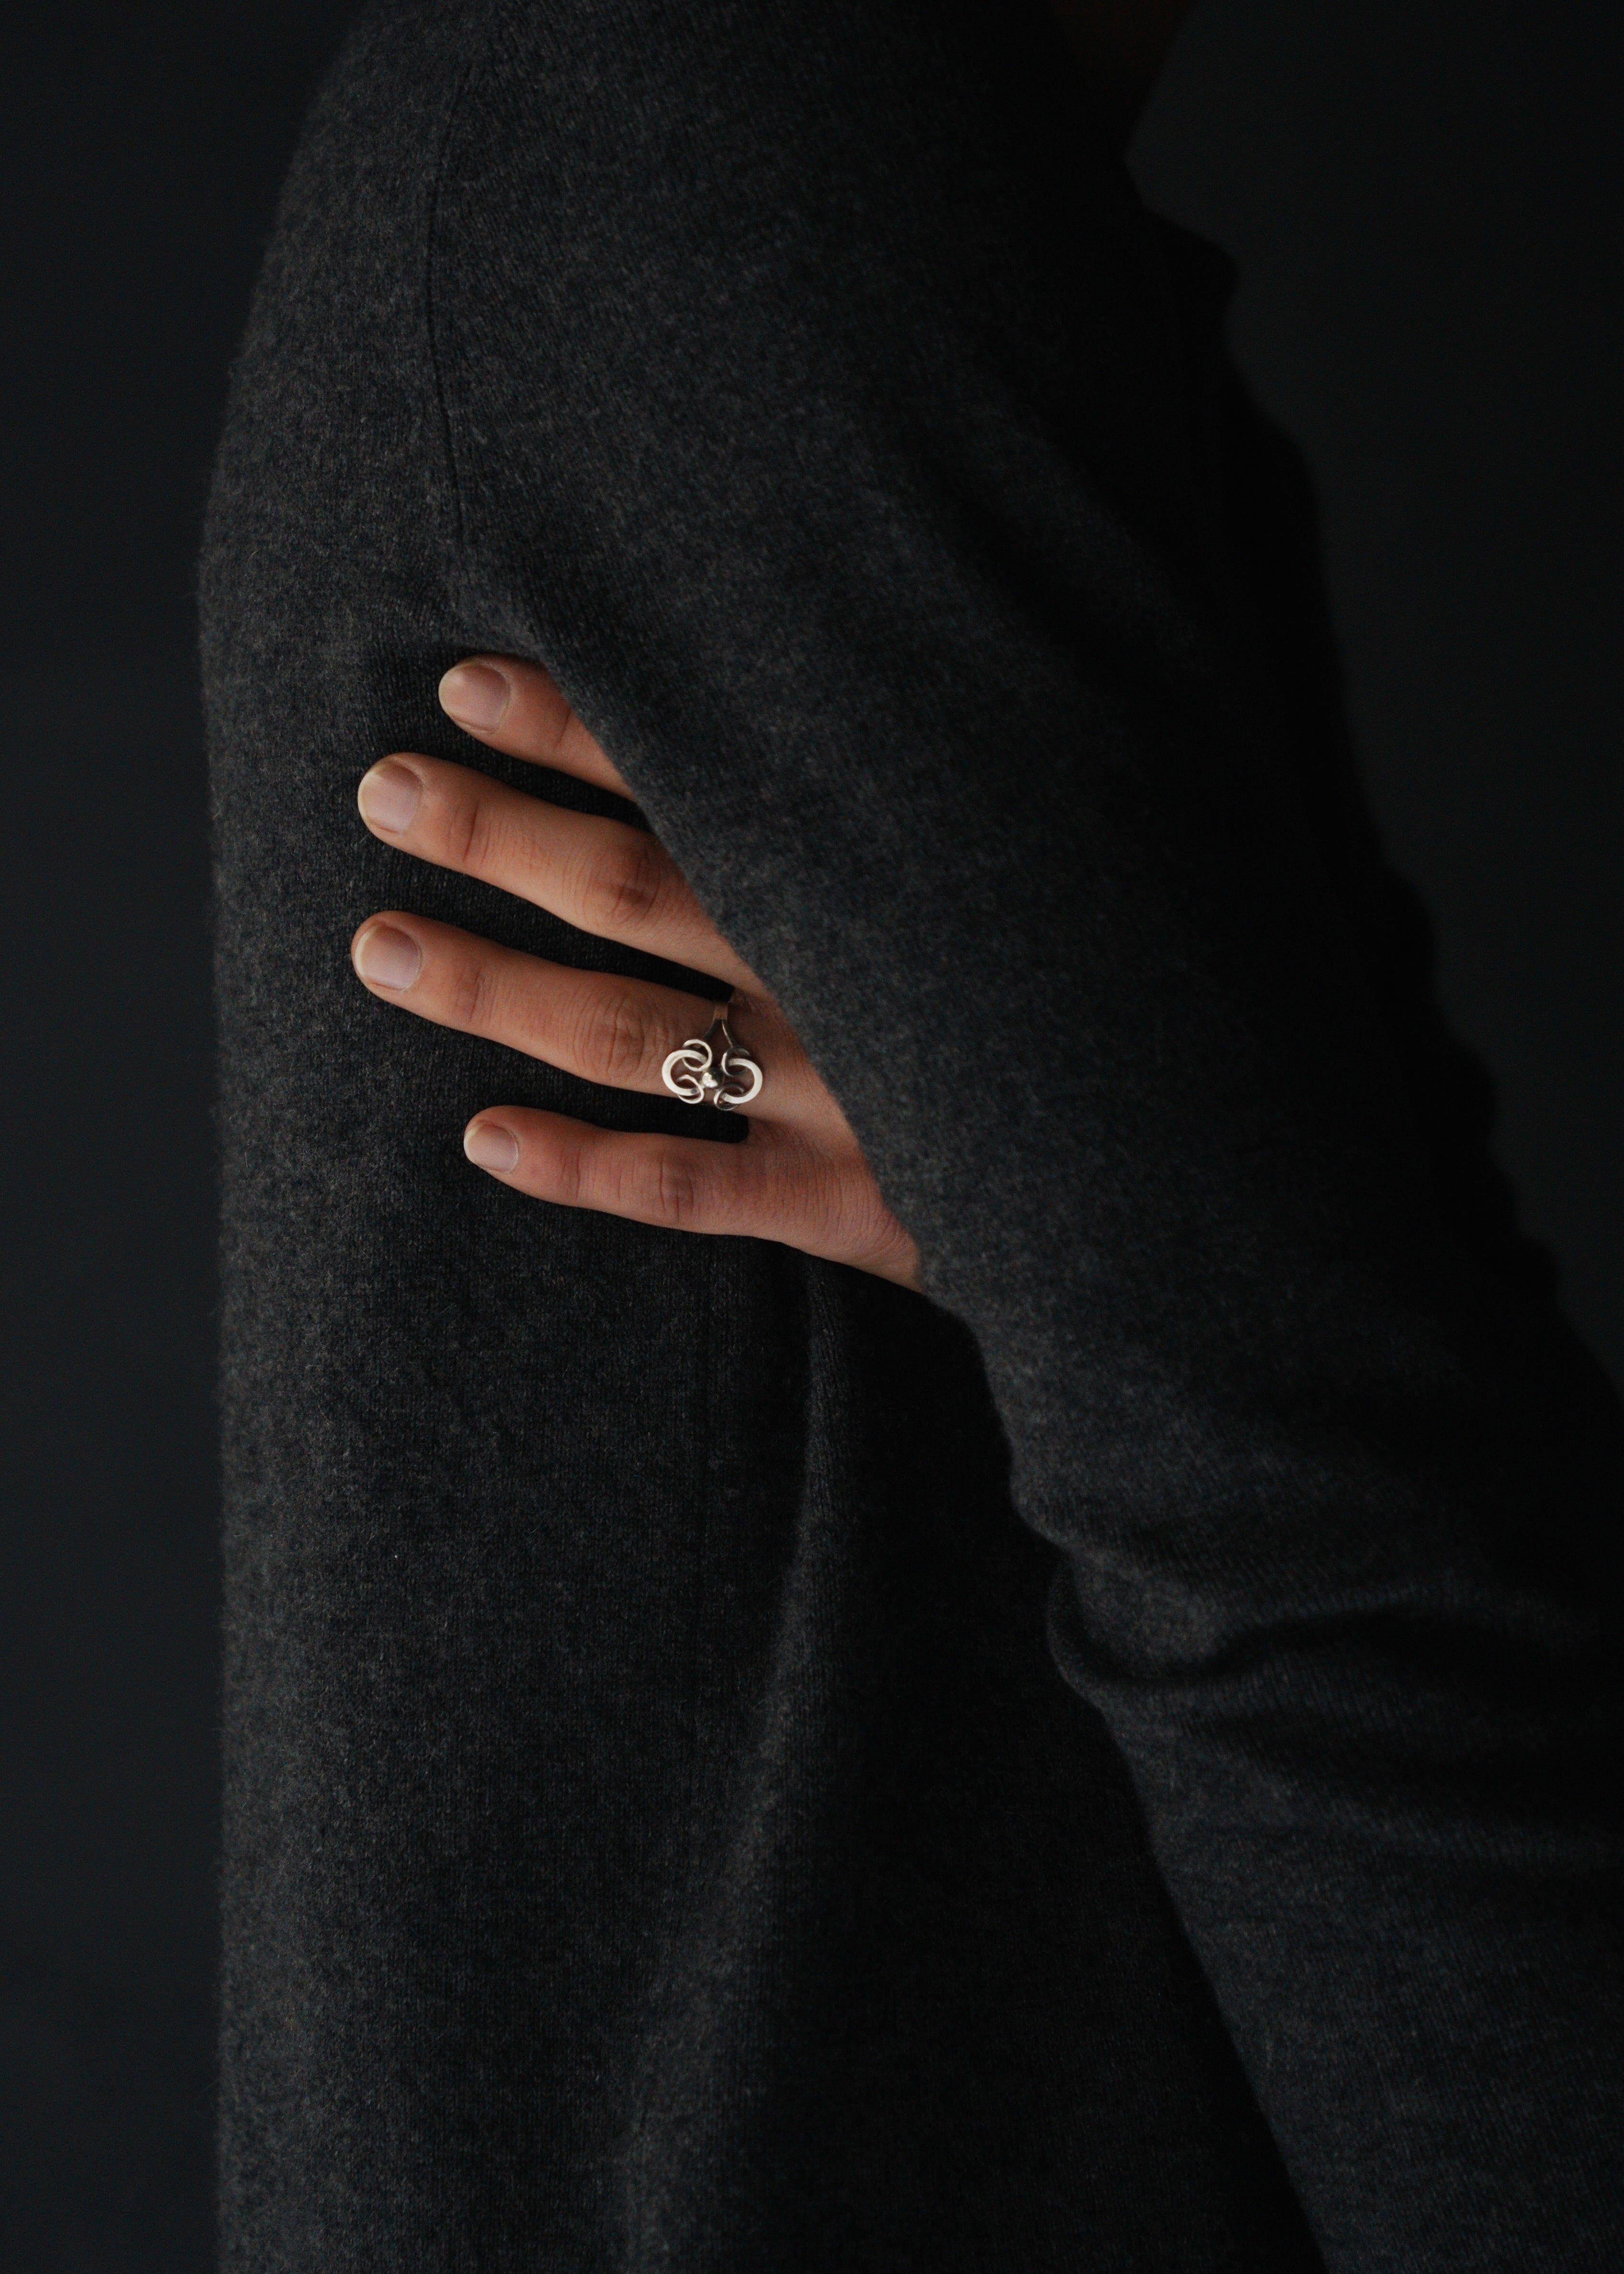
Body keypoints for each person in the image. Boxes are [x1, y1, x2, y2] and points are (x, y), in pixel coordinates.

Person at [201, 0, 1623, 2264]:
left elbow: (1390, 1398)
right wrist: (1114, 1240)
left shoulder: (742, 144)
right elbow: (1339, 1579)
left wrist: (1069, 1212)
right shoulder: (721, 138)